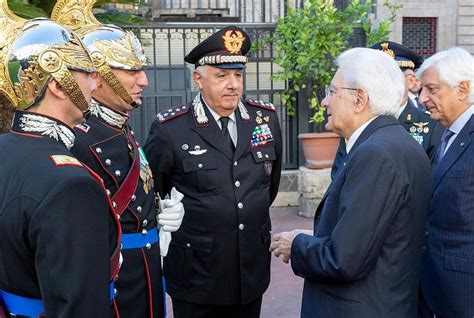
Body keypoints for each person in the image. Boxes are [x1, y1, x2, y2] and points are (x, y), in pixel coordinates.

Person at [270, 48, 432, 317]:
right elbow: (375, 235)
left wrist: (296, 244)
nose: (324, 102)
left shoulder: (376, 153)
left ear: (359, 99)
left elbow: (343, 259)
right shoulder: (396, 142)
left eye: (332, 92)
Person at [50, 1, 185, 317]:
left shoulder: (121, 127)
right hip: (112, 281)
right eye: (132, 70)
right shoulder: (77, 138)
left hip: (146, 272)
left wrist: (157, 212)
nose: (144, 81)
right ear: (97, 76)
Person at [144, 25, 283, 318]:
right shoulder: (171, 128)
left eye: (238, 75)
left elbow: (267, 187)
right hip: (197, 273)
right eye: (222, 76)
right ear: (198, 78)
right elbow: (155, 192)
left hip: (250, 268)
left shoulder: (265, 120)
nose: (232, 84)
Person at [0, 4, 121, 317]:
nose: (96, 84)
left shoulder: (5, 147)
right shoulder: (70, 184)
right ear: (56, 83)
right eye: (86, 73)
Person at [331, 41, 443, 180]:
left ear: (411, 81)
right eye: (377, 79)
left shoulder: (431, 126)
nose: (384, 84)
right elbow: (338, 174)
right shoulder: (359, 122)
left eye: (392, 78)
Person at [417, 47, 474, 318]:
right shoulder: (447, 133)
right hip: (435, 285)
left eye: (431, 89)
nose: (422, 98)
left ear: (462, 89)